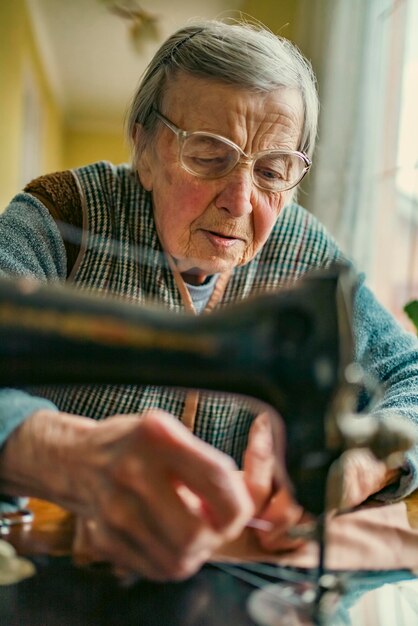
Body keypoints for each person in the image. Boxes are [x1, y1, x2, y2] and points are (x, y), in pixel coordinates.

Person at [0, 18, 417, 582]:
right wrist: (62, 454)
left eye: (272, 171)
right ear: (143, 146)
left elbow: (409, 374)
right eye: (209, 156)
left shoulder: (307, 257)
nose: (240, 201)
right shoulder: (62, 217)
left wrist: (364, 463)